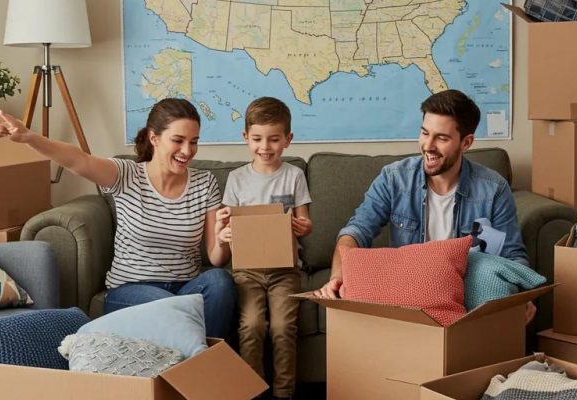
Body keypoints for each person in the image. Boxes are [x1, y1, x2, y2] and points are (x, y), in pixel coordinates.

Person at [0, 99, 236, 338]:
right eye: (178, 140)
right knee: (170, 307)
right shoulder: (126, 174)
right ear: (154, 138)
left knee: (220, 280)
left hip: (185, 287)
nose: (187, 150)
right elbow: (78, 160)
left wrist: (223, 240)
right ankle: (199, 364)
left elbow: (216, 259)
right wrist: (30, 138)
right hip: (132, 289)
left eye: (194, 141)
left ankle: (207, 362)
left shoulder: (205, 182)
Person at [313, 89, 536, 323]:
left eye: (441, 138)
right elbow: (356, 232)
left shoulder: (494, 188)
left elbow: (511, 253)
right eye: (424, 133)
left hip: (465, 285)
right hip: (410, 286)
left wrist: (520, 294)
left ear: (466, 142)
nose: (428, 146)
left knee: (493, 294)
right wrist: (338, 275)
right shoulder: (394, 178)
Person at [217, 97, 312, 400]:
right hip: (247, 271)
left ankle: (284, 393)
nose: (265, 147)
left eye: (274, 139)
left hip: (285, 270)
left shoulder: (294, 175)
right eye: (257, 139)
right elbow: (228, 227)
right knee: (252, 326)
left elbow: (305, 223)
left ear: (288, 140)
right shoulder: (237, 178)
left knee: (283, 327)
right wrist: (226, 230)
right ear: (246, 138)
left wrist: (303, 228)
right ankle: (254, 392)